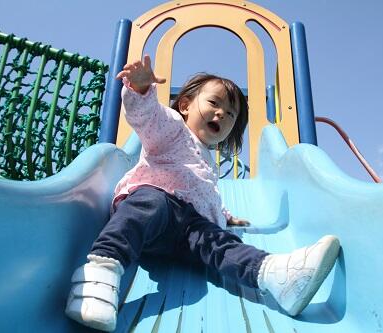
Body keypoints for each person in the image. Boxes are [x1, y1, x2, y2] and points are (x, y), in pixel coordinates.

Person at [65, 55, 340, 332]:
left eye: (231, 114)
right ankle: (101, 270)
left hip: (188, 231)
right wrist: (140, 90)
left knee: (221, 244)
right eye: (214, 103)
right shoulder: (171, 128)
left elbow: (205, 195)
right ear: (185, 106)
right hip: (159, 206)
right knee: (148, 203)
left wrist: (225, 217)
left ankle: (274, 276)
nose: (222, 113)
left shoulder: (209, 163)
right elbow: (147, 117)